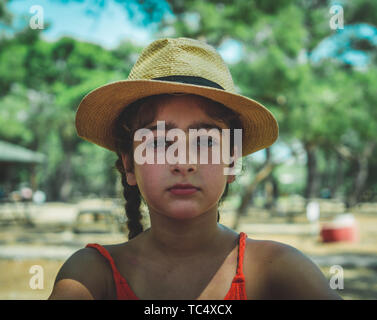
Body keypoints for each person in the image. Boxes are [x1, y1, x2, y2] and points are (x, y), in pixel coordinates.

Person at [49, 37, 341, 300]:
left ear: (232, 159)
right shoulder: (90, 276)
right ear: (129, 163)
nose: (184, 163)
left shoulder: (277, 270)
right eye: (161, 142)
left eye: (205, 141)